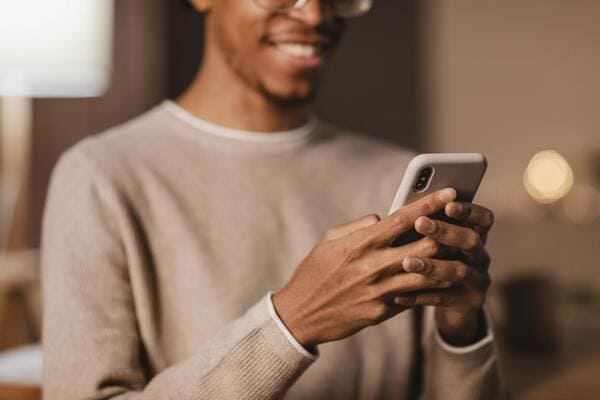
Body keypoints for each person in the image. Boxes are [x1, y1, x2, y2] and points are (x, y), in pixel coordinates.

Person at [41, 0, 502, 399]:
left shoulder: (395, 175)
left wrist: (460, 332)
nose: (316, 14)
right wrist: (292, 323)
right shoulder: (101, 177)